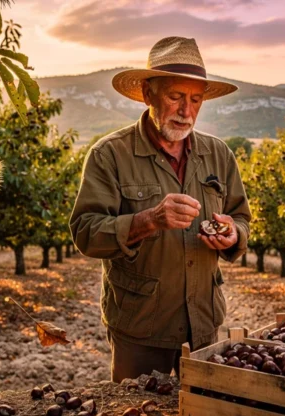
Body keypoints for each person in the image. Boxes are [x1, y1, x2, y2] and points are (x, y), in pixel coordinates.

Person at [69, 36, 251, 382]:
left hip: (203, 325)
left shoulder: (219, 155)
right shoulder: (110, 155)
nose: (186, 111)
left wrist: (232, 234)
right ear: (147, 93)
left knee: (200, 414)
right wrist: (148, 220)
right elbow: (86, 232)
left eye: (195, 100)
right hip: (139, 328)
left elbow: (241, 218)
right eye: (175, 97)